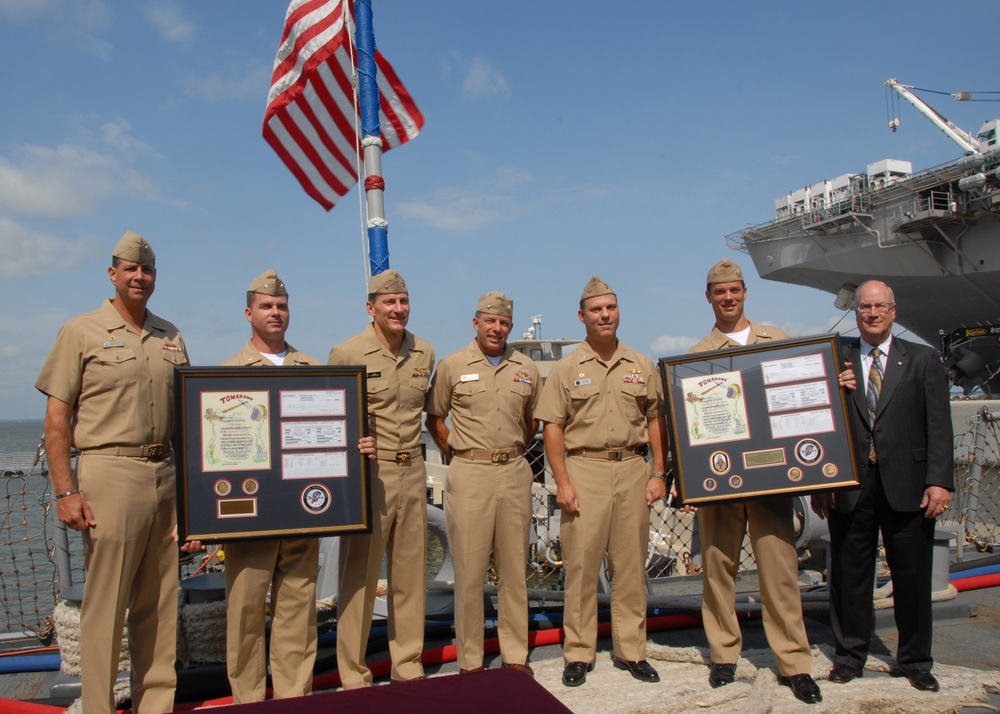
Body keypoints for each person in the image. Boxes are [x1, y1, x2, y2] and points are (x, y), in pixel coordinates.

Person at [35, 232, 190, 714]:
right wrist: (66, 490)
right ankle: (99, 707)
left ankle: (154, 705)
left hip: (163, 472)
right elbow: (58, 418)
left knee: (161, 603)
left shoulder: (172, 336)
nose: (139, 277)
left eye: (147, 270)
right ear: (113, 274)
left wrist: (193, 498)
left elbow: (188, 419)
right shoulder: (80, 331)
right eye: (130, 269)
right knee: (107, 605)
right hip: (108, 471)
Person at [222, 269, 375, 702]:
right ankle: (248, 701)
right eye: (267, 306)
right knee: (246, 612)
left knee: (296, 611)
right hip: (251, 515)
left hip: (301, 512)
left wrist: (358, 443)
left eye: (282, 306)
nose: (276, 313)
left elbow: (334, 429)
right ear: (248, 312)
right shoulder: (226, 372)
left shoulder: (313, 370)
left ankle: (293, 697)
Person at [812, 280, 954, 692]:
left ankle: (915, 661)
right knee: (848, 576)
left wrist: (939, 482)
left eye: (879, 307)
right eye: (864, 308)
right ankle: (849, 656)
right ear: (856, 313)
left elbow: (938, 426)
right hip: (851, 483)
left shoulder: (924, 360)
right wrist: (823, 481)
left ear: (893, 311)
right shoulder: (838, 356)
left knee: (912, 577)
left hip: (908, 483)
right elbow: (819, 419)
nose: (871, 314)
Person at [689, 258, 821, 704]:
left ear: (745, 292)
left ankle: (794, 663)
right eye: (719, 292)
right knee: (717, 569)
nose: (728, 298)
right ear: (708, 297)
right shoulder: (694, 357)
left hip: (769, 479)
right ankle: (724, 656)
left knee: (780, 571)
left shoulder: (777, 342)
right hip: (721, 482)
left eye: (735, 290)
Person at [535, 276, 667, 688]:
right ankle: (578, 653)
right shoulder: (567, 368)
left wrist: (659, 471)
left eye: (610, 308)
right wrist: (563, 483)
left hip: (632, 468)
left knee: (630, 566)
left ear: (618, 311)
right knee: (581, 566)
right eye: (596, 309)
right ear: (582, 316)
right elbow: (552, 427)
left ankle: (632, 650)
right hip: (585, 470)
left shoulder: (641, 364)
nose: (604, 315)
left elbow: (655, 418)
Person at [328, 269, 435, 687]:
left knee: (410, 576)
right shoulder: (347, 352)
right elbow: (329, 414)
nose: (398, 309)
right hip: (370, 474)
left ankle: (407, 664)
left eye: (403, 301)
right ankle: (353, 671)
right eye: (389, 302)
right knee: (360, 575)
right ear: (370, 307)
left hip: (413, 468)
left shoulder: (424, 352)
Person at [425, 291, 541, 676]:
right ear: (476, 323)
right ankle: (470, 662)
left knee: (514, 571)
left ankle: (515, 657)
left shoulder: (526, 367)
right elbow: (436, 418)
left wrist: (512, 450)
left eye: (504, 322)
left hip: (514, 471)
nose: (497, 328)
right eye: (490, 321)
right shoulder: (453, 365)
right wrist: (457, 452)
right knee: (470, 574)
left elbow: (532, 421)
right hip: (469, 472)